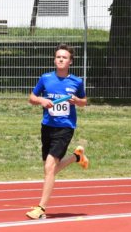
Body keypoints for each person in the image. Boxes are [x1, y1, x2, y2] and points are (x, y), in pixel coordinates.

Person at [26, 43, 89, 220]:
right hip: (47, 126)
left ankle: (41, 209)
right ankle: (76, 157)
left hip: (65, 128)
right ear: (55, 60)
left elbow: (84, 101)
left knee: (49, 167)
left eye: (64, 57)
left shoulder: (76, 82)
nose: (61, 59)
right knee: (49, 169)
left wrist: (77, 101)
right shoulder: (46, 78)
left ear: (70, 62)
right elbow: (31, 97)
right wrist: (41, 101)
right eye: (58, 57)